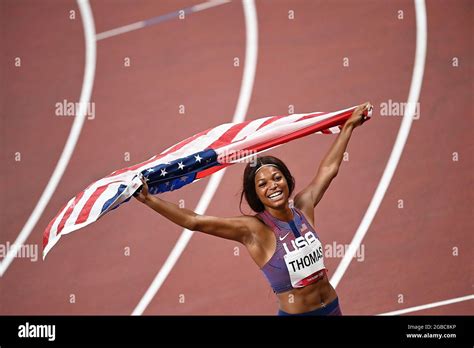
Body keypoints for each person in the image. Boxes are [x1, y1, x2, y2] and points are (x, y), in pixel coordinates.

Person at [134, 102, 372, 315]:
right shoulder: (253, 229)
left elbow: (328, 170)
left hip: (332, 308)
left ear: (287, 181)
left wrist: (348, 126)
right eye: (263, 184)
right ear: (256, 194)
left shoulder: (304, 206)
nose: (272, 186)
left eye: (277, 178)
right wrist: (149, 200)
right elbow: (195, 221)